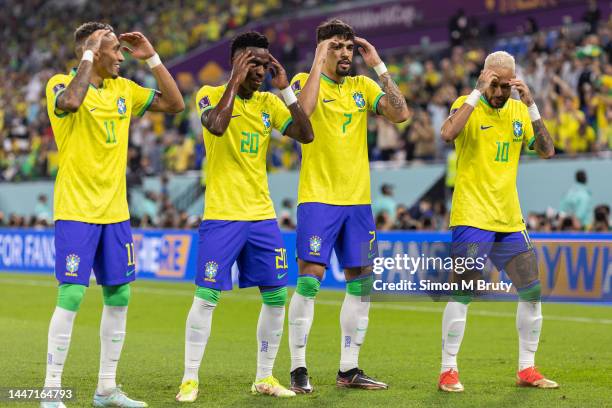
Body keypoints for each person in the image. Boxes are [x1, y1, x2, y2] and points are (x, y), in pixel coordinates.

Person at [42, 22, 184, 408]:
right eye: (114, 50)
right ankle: (51, 390)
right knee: (71, 293)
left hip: (115, 212)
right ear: (92, 51)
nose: (122, 57)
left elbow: (175, 104)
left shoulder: (124, 90)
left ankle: (106, 388)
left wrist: (152, 57)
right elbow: (70, 103)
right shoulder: (60, 83)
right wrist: (88, 52)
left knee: (119, 295)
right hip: (76, 210)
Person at [175, 31, 314, 403]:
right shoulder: (209, 93)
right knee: (206, 297)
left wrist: (286, 90)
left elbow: (306, 134)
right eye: (253, 62)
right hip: (222, 215)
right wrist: (234, 82)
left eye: (265, 63)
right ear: (236, 62)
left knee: (275, 297)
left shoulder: (270, 102)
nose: (261, 69)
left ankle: (264, 376)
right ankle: (190, 379)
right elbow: (217, 125)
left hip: (261, 216)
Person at [287, 19, 409, 393]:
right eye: (336, 47)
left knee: (362, 283)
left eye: (348, 47)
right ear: (323, 49)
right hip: (319, 198)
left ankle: (349, 369)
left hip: (357, 202)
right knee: (310, 280)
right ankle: (298, 369)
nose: (345, 54)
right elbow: (302, 114)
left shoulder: (362, 86)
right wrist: (317, 58)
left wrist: (379, 67)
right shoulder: (301, 81)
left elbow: (399, 113)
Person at [438, 50, 557, 392]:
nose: (502, 92)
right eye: (496, 84)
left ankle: (526, 369)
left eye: (507, 85)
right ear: (484, 78)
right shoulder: (467, 103)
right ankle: (448, 370)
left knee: (532, 291)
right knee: (464, 290)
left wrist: (531, 103)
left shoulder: (519, 110)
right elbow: (447, 134)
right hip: (472, 215)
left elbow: (547, 150)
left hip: (509, 218)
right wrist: (477, 92)